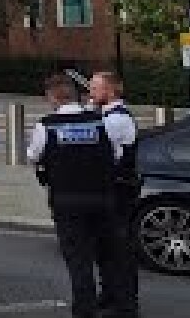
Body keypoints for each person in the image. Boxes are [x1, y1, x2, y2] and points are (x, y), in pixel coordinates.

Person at [28, 74, 130, 318]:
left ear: (52, 97)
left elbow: (33, 155)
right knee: (110, 255)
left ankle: (85, 310)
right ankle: (121, 305)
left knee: (78, 260)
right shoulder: (101, 122)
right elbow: (116, 154)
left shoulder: (46, 125)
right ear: (76, 96)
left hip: (67, 201)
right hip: (102, 198)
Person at [89, 72, 140, 318]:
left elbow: (94, 144)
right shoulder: (107, 115)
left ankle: (124, 303)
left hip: (118, 191)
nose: (90, 92)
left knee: (118, 249)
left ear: (109, 91)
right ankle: (109, 294)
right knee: (105, 248)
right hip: (109, 189)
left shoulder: (116, 119)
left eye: (95, 88)